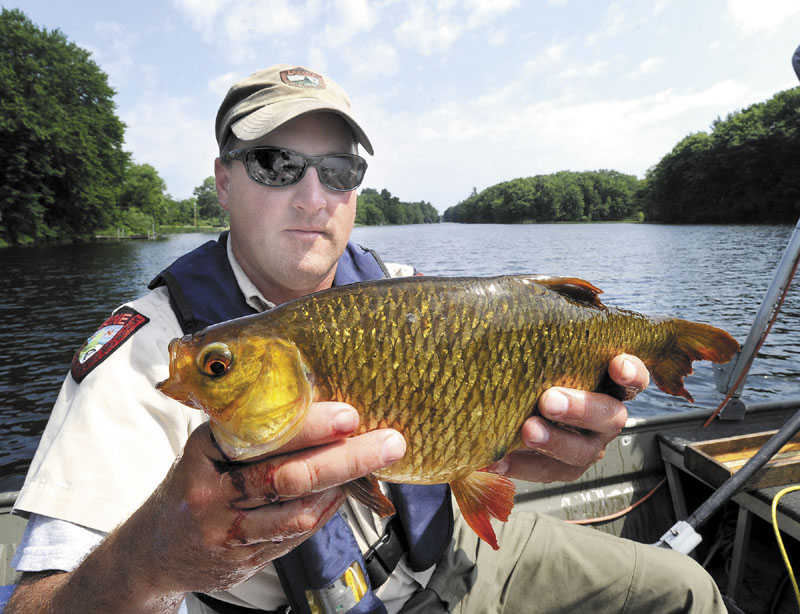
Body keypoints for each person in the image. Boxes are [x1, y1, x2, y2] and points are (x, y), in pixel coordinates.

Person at [5, 64, 725, 614]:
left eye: (339, 170)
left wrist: (566, 435)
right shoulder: (142, 356)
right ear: (223, 182)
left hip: (461, 550)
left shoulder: (406, 290)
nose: (313, 196)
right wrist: (153, 560)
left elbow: (517, 431)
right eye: (276, 165)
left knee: (688, 589)